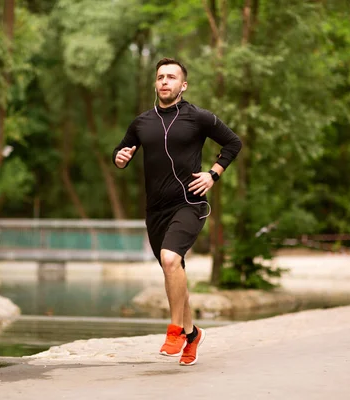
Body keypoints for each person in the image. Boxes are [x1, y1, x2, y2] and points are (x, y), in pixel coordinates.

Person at [112, 57, 242, 366]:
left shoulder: (199, 117)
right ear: (155, 84)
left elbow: (233, 143)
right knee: (174, 270)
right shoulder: (142, 122)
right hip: (155, 210)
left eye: (171, 77)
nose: (165, 82)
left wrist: (213, 174)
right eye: (160, 77)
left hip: (189, 202)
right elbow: (122, 151)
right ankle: (193, 333)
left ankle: (175, 332)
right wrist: (120, 158)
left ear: (183, 85)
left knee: (170, 259)